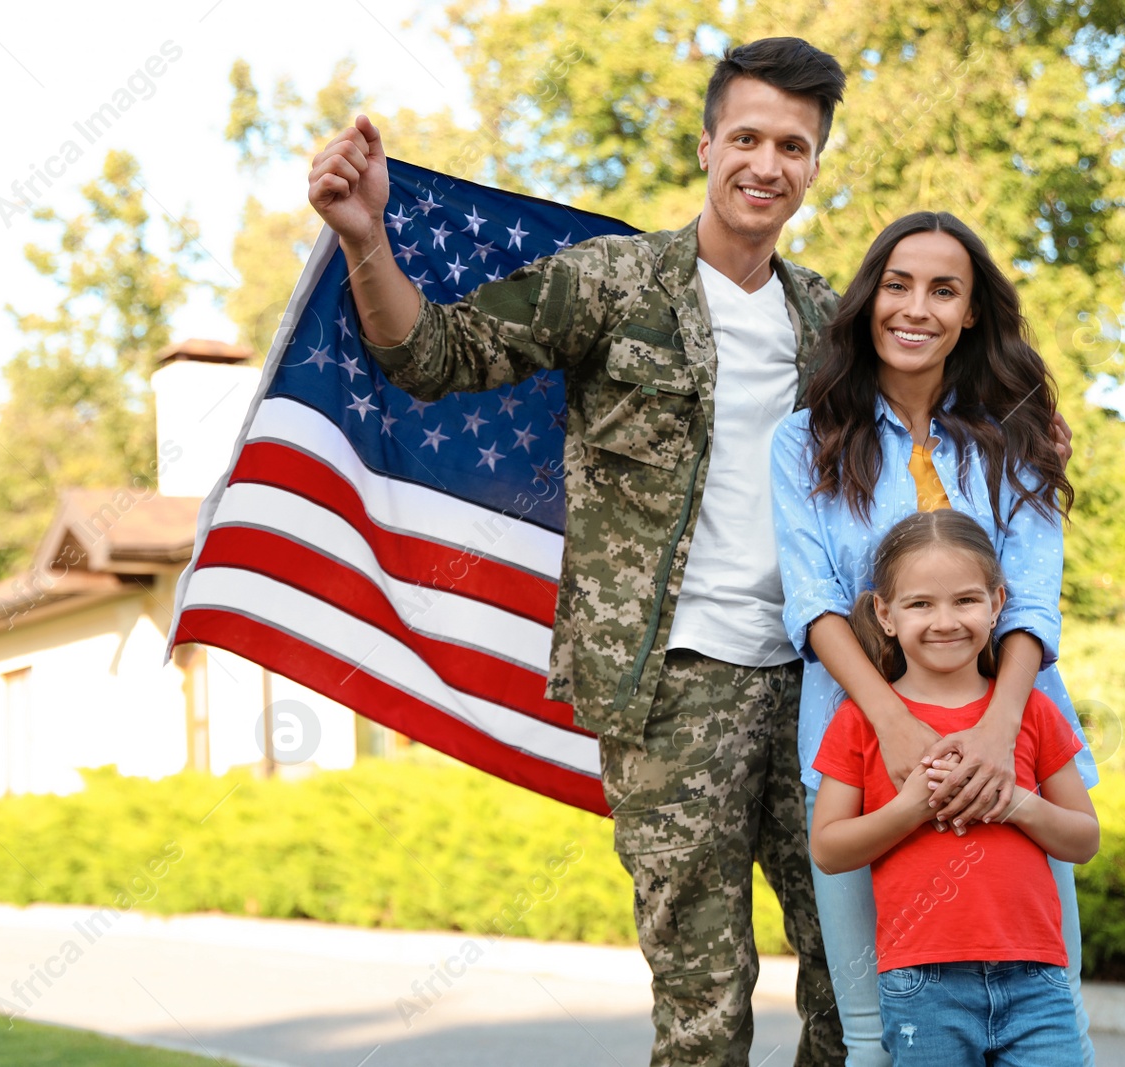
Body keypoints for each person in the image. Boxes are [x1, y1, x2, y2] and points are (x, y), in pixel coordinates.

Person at [308, 36, 849, 1067]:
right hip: (671, 686)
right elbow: (433, 354)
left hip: (821, 684)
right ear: (705, 145)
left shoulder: (828, 320)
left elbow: (908, 455)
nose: (766, 163)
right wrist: (364, 240)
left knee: (852, 975)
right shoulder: (613, 283)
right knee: (703, 1000)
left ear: (813, 164)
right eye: (746, 136)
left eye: (793, 144)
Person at [770, 212, 1099, 1066]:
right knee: (878, 1034)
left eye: (944, 289)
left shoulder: (1017, 436)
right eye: (898, 283)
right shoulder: (805, 442)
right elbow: (813, 605)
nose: (917, 307)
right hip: (862, 753)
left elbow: (1030, 604)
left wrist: (997, 732)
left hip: (1015, 741)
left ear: (972, 312)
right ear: (869, 297)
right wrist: (893, 722)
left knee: (1050, 1010)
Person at [809, 509, 1100, 1066]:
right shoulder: (859, 722)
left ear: (997, 604)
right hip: (923, 985)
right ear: (885, 613)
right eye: (921, 604)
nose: (945, 621)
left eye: (965, 600)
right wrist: (912, 807)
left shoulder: (1030, 713)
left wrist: (1015, 801)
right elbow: (828, 848)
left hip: (1038, 980)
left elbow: (1083, 839)